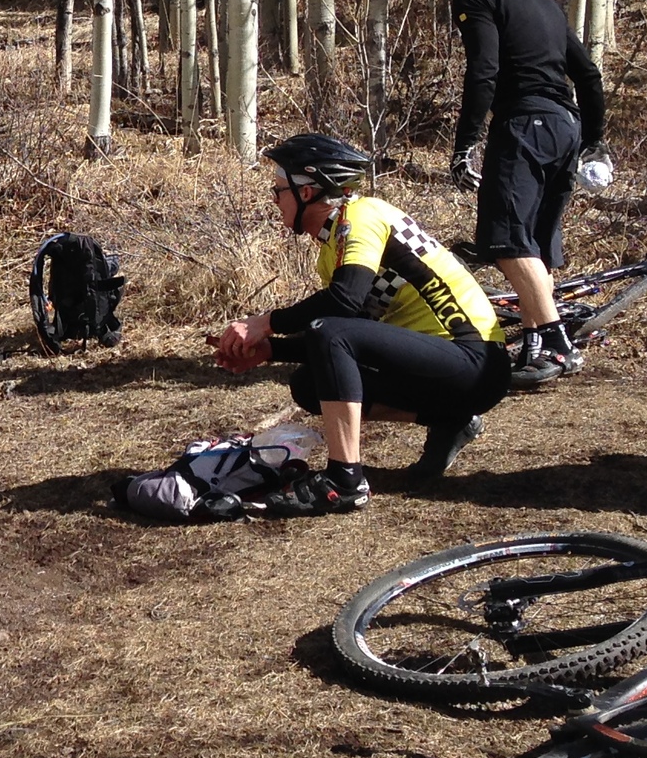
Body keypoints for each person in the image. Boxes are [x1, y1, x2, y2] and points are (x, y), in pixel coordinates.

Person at [212, 134, 512, 514]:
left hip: (476, 360)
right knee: (309, 383)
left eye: (278, 191)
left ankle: (344, 480)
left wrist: (265, 323)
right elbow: (344, 330)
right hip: (446, 371)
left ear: (306, 193)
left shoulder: (363, 215)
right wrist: (271, 351)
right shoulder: (333, 247)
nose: (275, 201)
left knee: (328, 333)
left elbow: (342, 304)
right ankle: (451, 420)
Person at [413, 0, 607, 385]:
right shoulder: (544, 3)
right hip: (564, 127)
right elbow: (589, 75)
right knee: (533, 245)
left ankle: (558, 347)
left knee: (505, 241)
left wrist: (464, 146)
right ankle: (538, 342)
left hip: (523, 123)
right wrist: (594, 142)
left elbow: (484, 71)